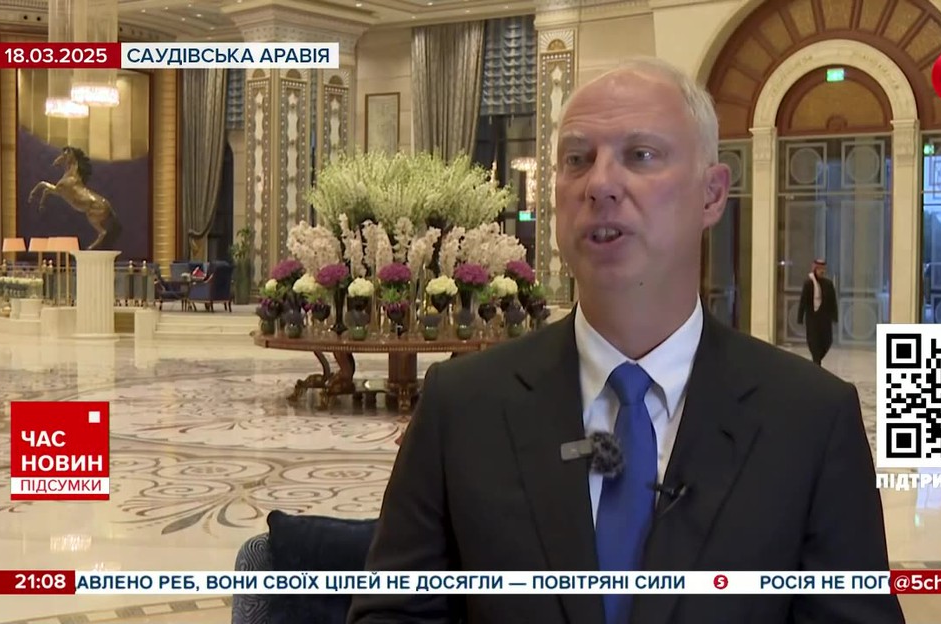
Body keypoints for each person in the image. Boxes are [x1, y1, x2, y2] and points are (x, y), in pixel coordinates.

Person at [349, 58, 903, 624]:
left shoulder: (811, 420)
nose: (600, 184)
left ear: (712, 195)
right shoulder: (462, 405)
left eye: (640, 155)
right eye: (577, 159)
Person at [797, 259, 839, 367]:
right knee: (813, 342)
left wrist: (835, 316)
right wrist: (800, 318)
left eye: (823, 269)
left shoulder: (828, 284)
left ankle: (817, 359)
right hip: (812, 318)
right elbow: (803, 301)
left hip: (825, 318)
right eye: (819, 269)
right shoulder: (808, 284)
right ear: (815, 269)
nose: (822, 271)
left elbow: (833, 301)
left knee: (827, 341)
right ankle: (816, 362)